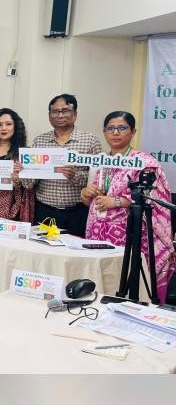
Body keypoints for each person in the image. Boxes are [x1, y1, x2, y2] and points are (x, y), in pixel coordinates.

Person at [81, 111, 174, 301]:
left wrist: (116, 201)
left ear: (133, 132)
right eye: (110, 128)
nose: (115, 132)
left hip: (130, 235)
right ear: (104, 132)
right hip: (97, 234)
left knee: (126, 285)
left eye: (122, 128)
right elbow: (89, 201)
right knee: (100, 283)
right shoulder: (100, 162)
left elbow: (151, 198)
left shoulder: (145, 163)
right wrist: (85, 193)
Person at [23, 94, 101, 236]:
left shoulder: (90, 140)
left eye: (65, 111)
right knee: (42, 247)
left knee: (75, 248)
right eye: (55, 111)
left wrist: (75, 175)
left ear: (75, 114)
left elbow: (98, 178)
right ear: (49, 116)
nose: (60, 115)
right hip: (44, 211)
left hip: (77, 212)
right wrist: (25, 171)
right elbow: (29, 184)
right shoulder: (39, 141)